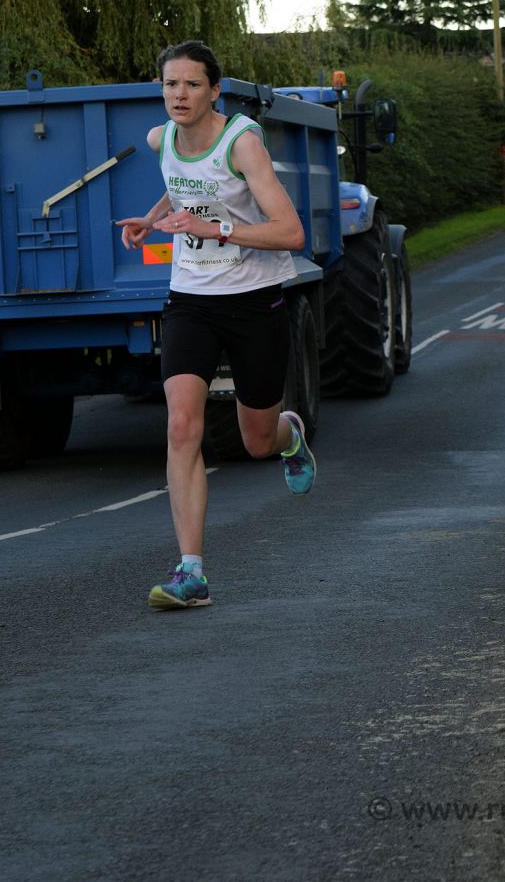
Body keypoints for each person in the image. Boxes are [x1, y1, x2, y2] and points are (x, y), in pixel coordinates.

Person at [117, 40, 317, 610]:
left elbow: (291, 233)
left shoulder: (242, 143)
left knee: (256, 440)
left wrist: (219, 231)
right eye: (170, 84)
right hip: (191, 300)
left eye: (192, 85)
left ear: (214, 92)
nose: (179, 95)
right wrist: (152, 219)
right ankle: (191, 573)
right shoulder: (161, 139)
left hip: (254, 301)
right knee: (182, 425)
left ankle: (289, 435)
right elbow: (184, 184)